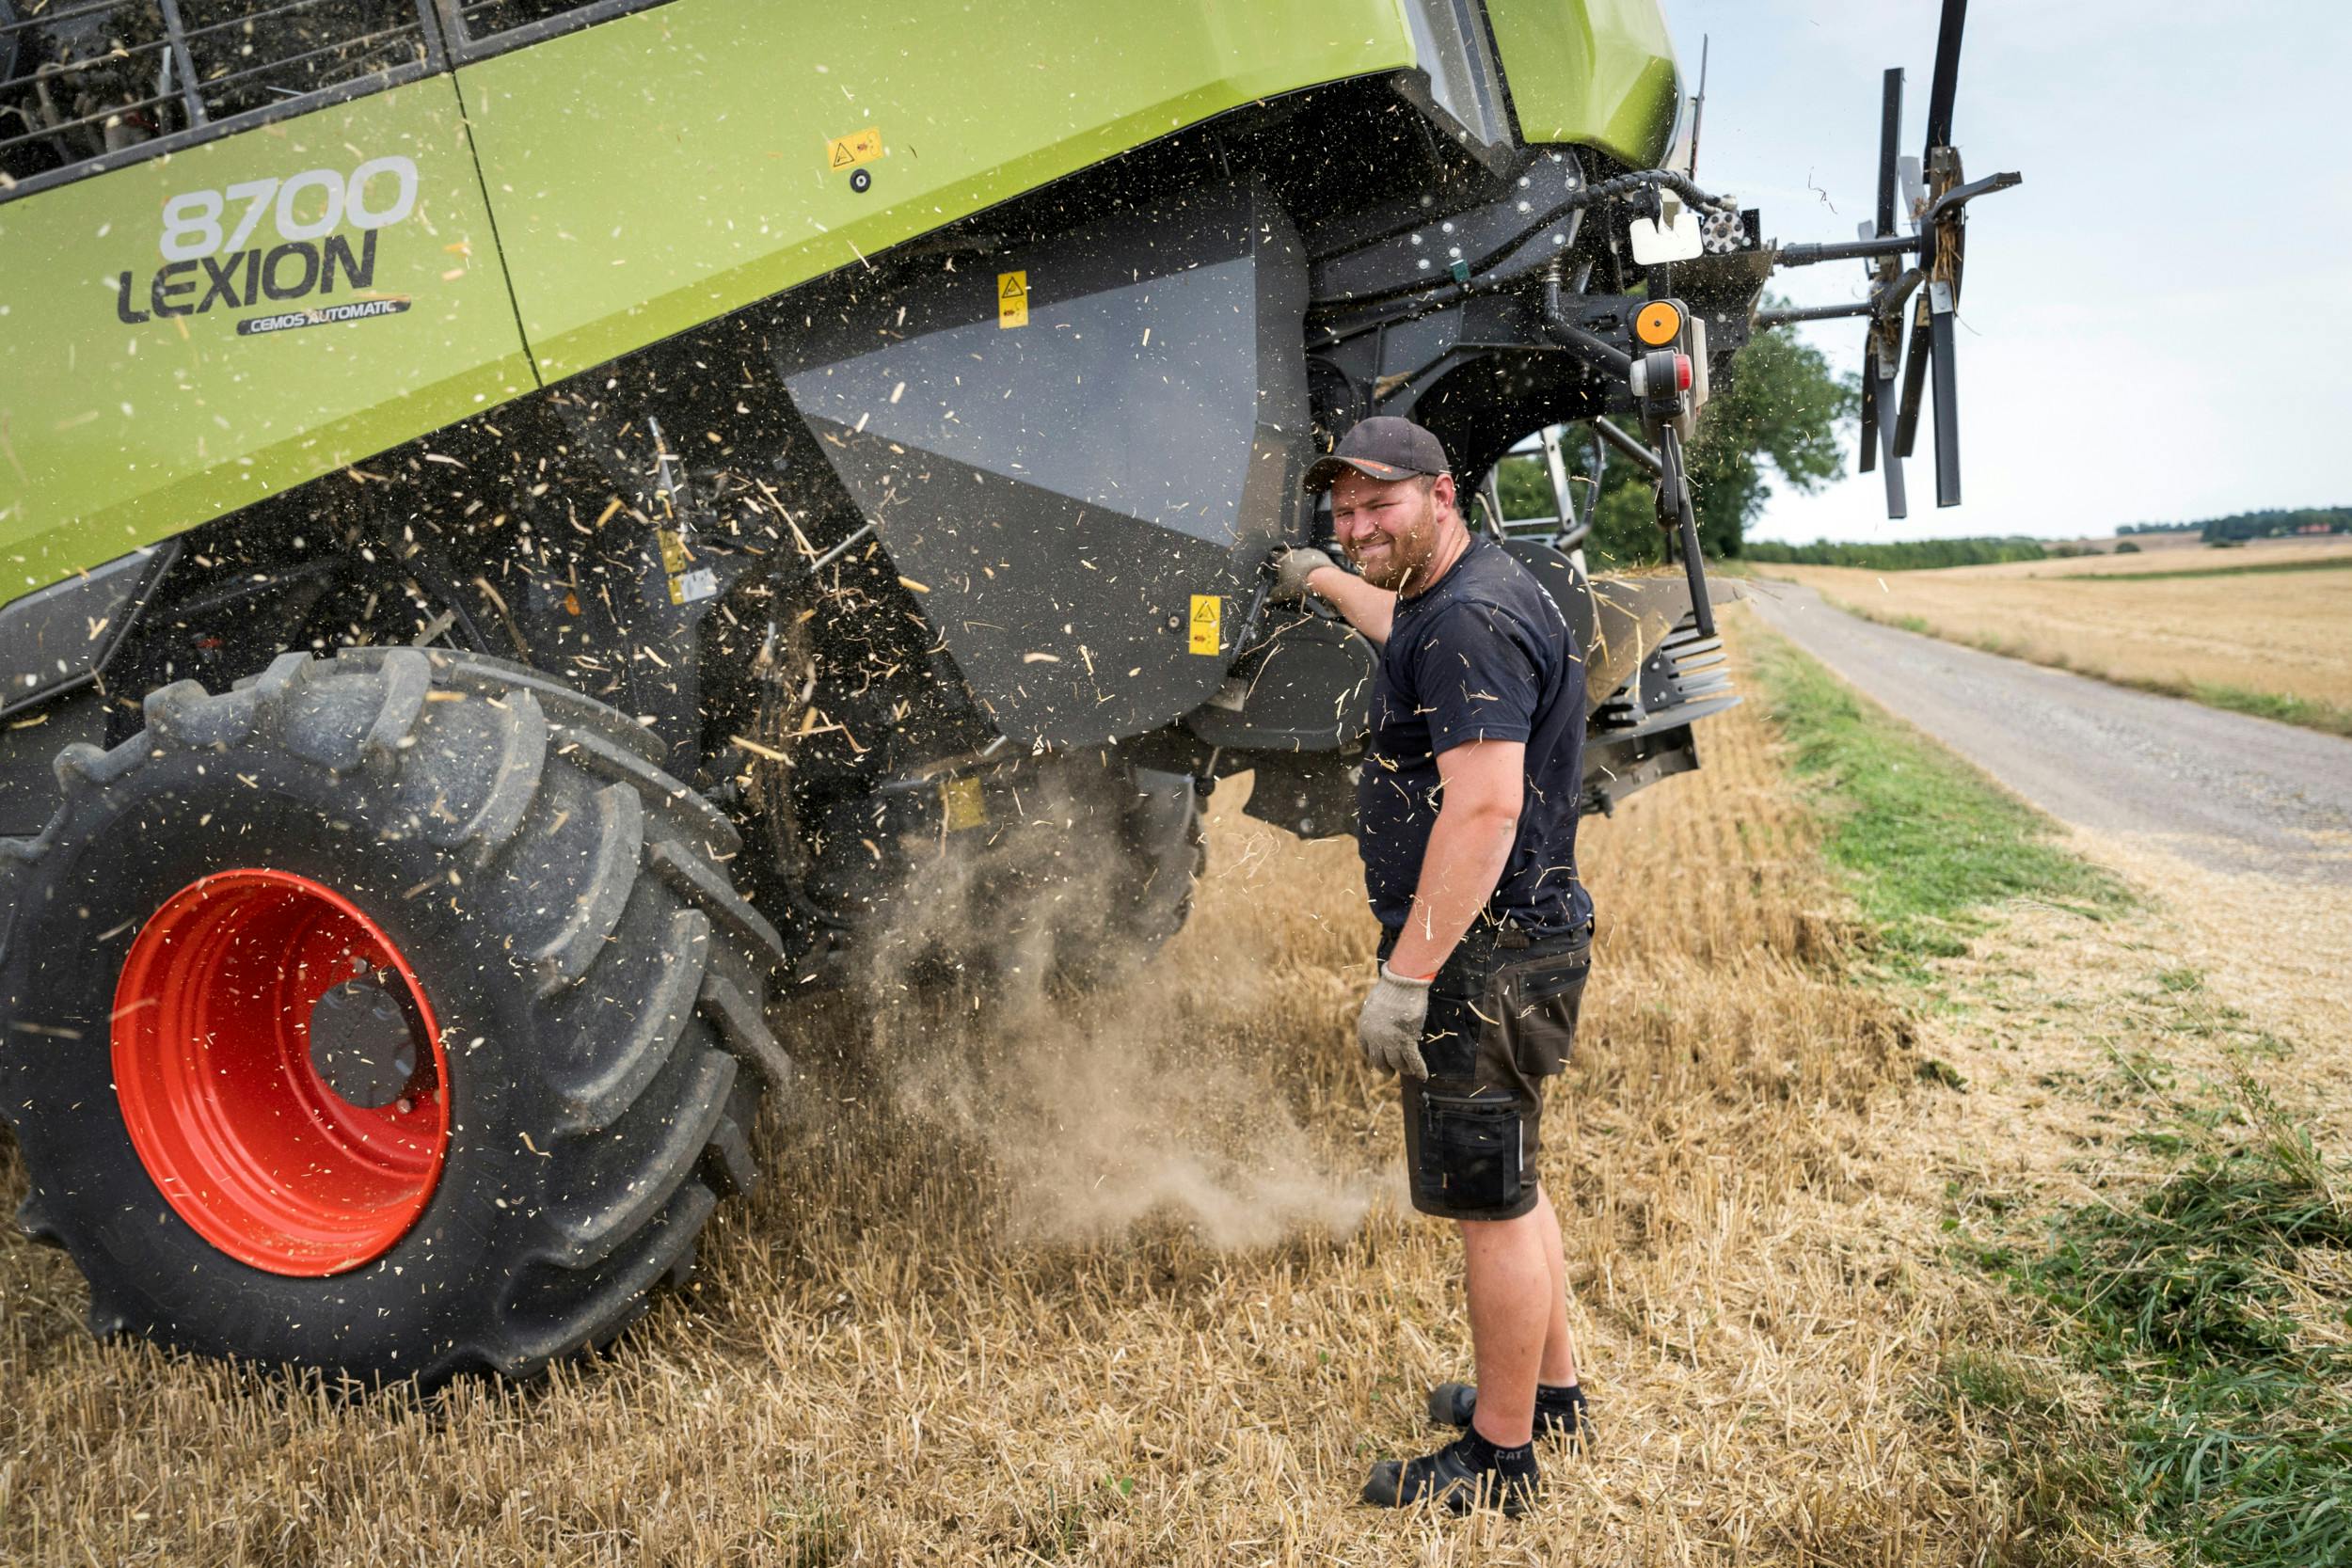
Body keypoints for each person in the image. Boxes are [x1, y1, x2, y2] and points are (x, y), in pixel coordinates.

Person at [1269, 416, 1596, 1515]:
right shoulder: (1463, 590)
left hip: (1482, 957)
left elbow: (1487, 805)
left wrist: (1409, 973)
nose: (1358, 526)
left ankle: (1499, 1459)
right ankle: (1549, 1393)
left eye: (1379, 507)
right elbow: (1399, 623)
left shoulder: (1468, 625)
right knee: (1514, 1177)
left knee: (1487, 1205)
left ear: (1440, 494)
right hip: (1523, 939)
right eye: (1342, 512)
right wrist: (1322, 579)